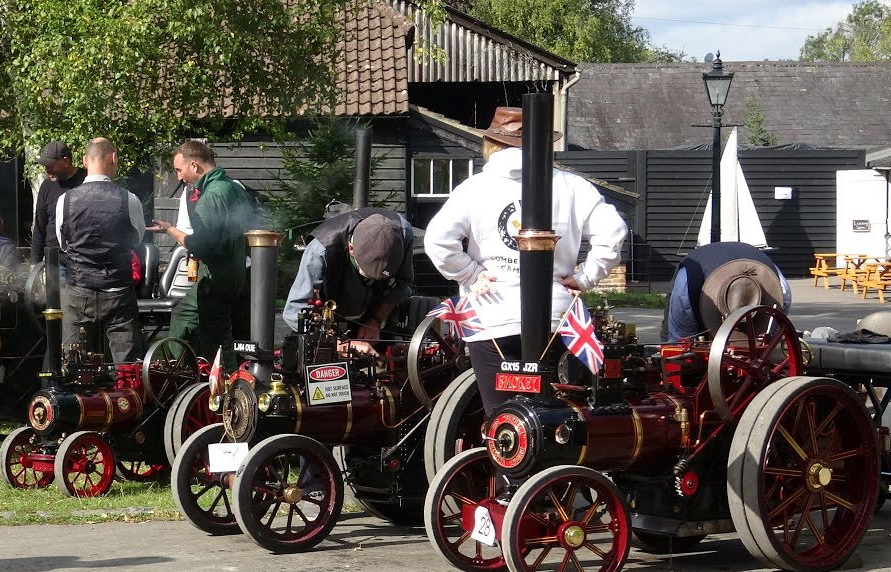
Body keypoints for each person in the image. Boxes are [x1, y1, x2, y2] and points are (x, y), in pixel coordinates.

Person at [423, 106, 628, 414]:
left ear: (492, 143)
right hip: (556, 316)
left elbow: (437, 240)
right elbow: (613, 233)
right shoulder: (573, 186)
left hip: (491, 316)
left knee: (504, 424)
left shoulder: (473, 189)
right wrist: (585, 277)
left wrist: (470, 274)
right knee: (555, 418)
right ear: (544, 143)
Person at [150, 140, 253, 372]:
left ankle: (186, 375)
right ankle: (192, 372)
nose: (179, 177)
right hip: (236, 273)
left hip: (216, 278)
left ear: (194, 165)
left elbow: (203, 245)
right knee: (192, 318)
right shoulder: (235, 188)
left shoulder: (211, 196)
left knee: (215, 340)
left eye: (179, 170)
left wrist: (171, 230)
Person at [55, 137, 146, 363]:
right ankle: (124, 387)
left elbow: (63, 244)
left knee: (74, 363)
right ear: (113, 158)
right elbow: (136, 239)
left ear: (85, 161)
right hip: (118, 290)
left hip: (78, 289)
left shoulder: (65, 200)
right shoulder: (129, 199)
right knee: (127, 365)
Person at [282, 208, 415, 354]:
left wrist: (375, 320)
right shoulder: (321, 248)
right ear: (351, 248)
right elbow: (295, 310)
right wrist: (339, 345)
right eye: (367, 274)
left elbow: (401, 287)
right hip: (327, 326)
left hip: (372, 320)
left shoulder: (404, 234)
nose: (375, 281)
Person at [665, 242, 791, 341]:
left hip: (758, 263)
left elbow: (774, 328)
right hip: (695, 277)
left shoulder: (780, 290)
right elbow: (680, 340)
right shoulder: (687, 289)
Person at [33, 141, 87, 264]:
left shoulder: (86, 181)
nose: (47, 170)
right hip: (54, 260)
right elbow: (39, 227)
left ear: (66, 161)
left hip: (83, 259)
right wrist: (34, 264)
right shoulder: (46, 186)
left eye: (50, 165)